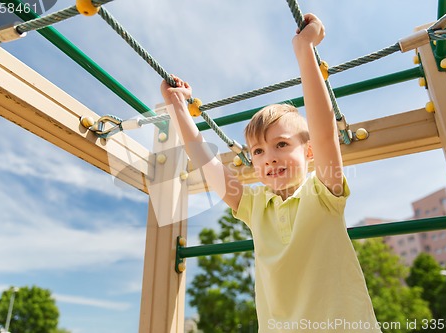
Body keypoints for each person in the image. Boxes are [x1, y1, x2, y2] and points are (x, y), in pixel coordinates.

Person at [161, 13, 381, 333]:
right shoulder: (254, 205)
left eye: (280, 144)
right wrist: (177, 106)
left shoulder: (323, 193)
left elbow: (323, 134)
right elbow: (206, 161)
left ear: (307, 153)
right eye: (259, 152)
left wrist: (304, 49)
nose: (269, 158)